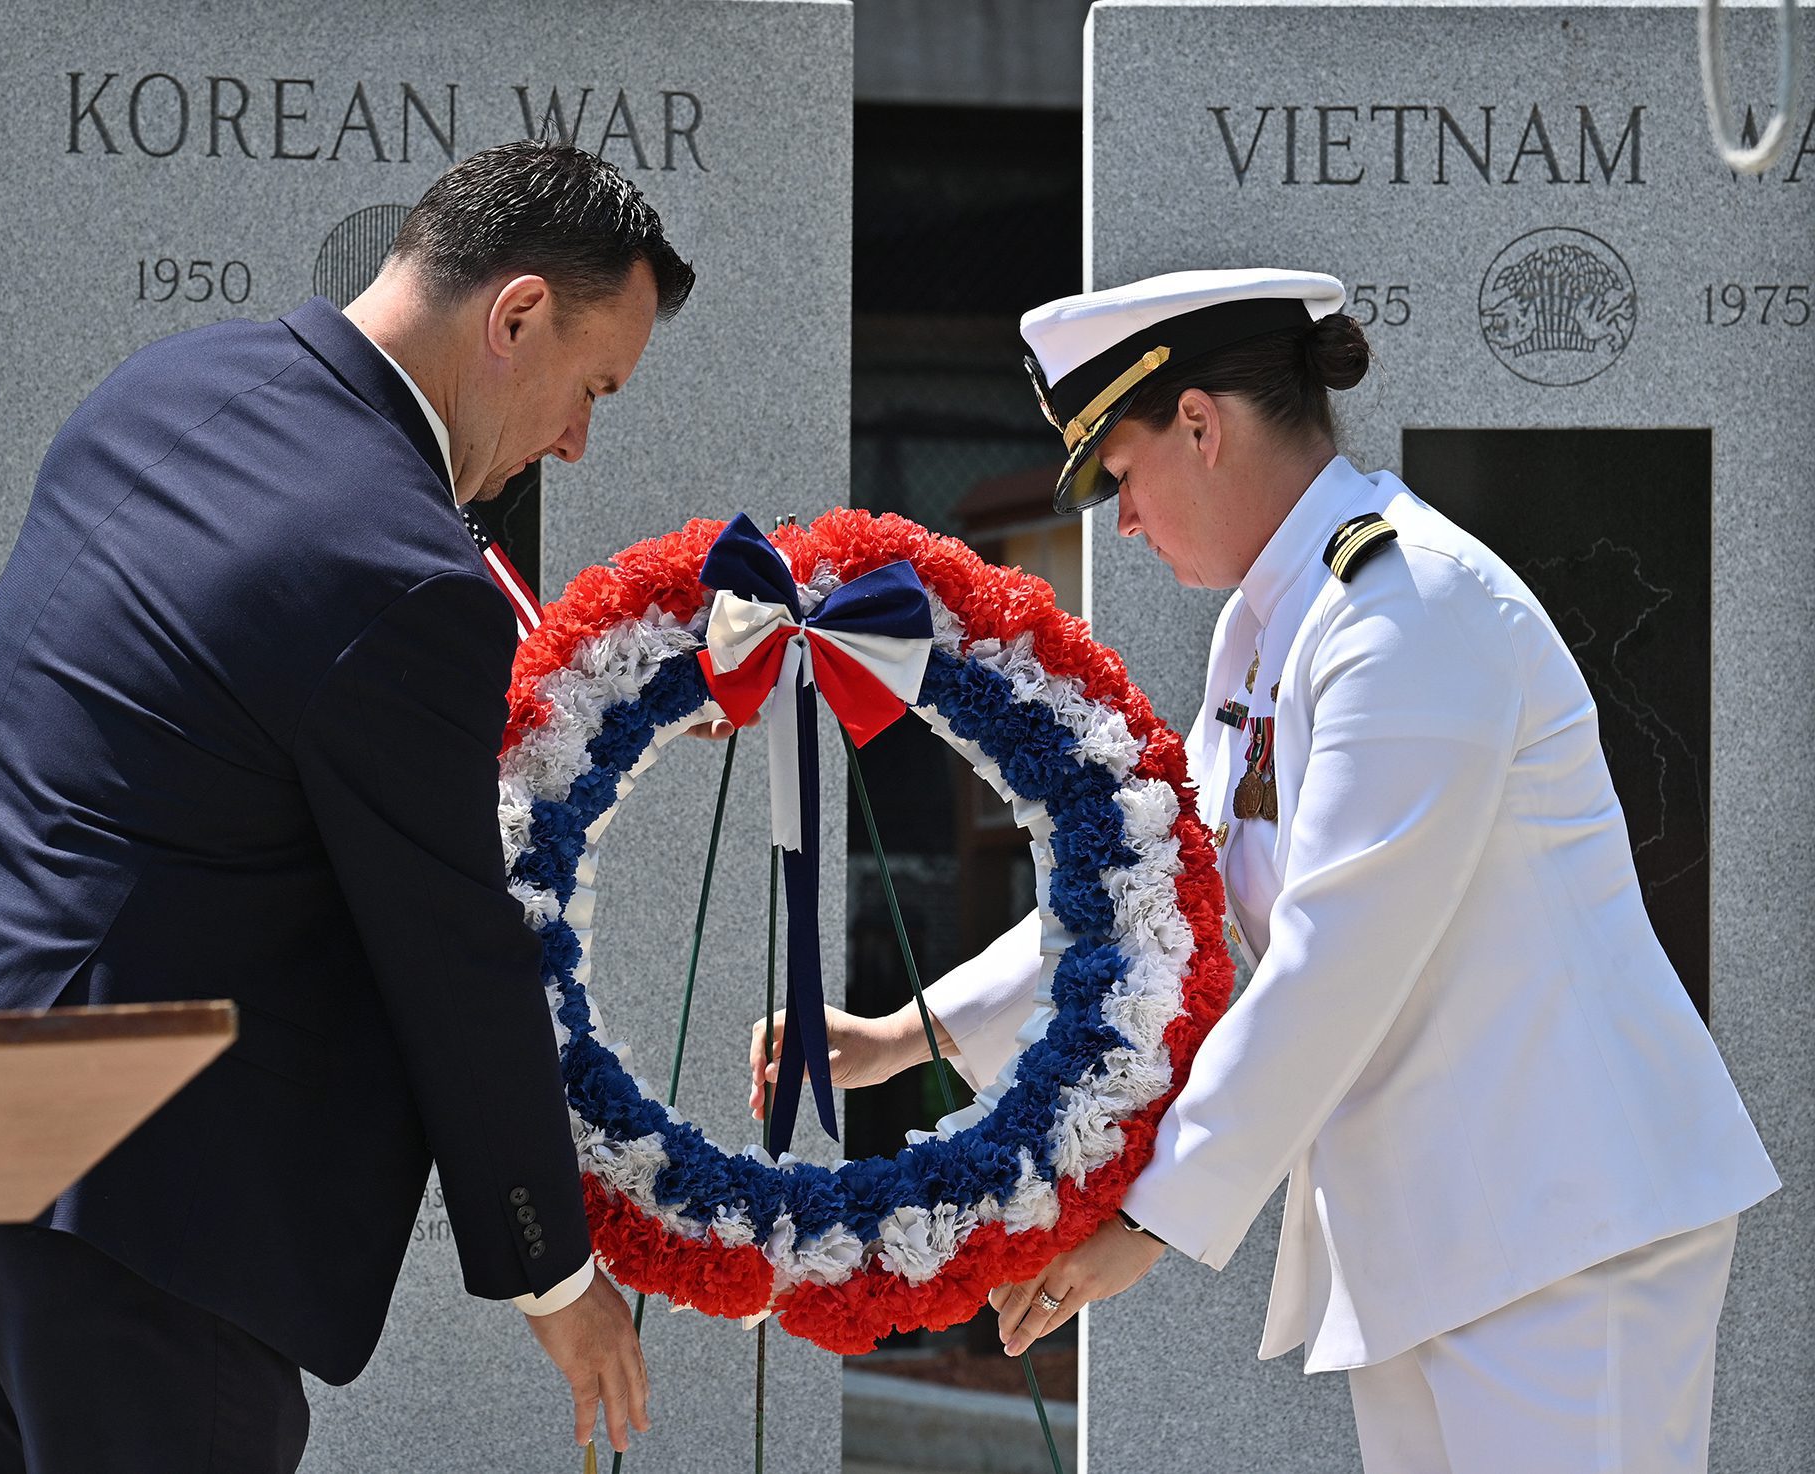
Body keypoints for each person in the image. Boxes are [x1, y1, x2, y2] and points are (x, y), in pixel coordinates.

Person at [751, 269, 1779, 1474]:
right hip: (1450, 1235)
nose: (1120, 524)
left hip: (1558, 1223)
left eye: (1119, 475)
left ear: (1200, 423)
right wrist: (907, 1032)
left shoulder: (1405, 612)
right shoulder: (1276, 629)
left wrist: (1141, 1215)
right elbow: (1156, 907)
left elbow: (1333, 959)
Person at [0, 140, 692, 1472]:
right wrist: (554, 1270)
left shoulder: (160, 388)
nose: (577, 440)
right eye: (592, 387)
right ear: (515, 315)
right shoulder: (404, 572)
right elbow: (448, 946)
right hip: (116, 1173)